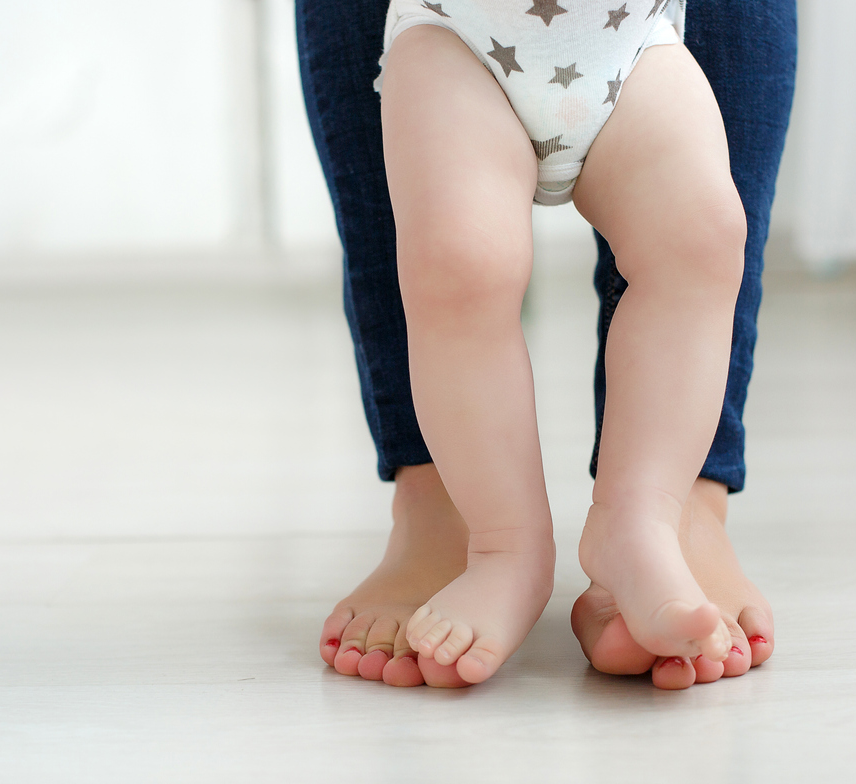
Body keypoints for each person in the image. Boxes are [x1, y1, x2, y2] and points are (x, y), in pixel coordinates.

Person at [298, 0, 796, 690]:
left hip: (637, 37)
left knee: (702, 239)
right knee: (459, 264)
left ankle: (644, 519)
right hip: (458, 36)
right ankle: (504, 545)